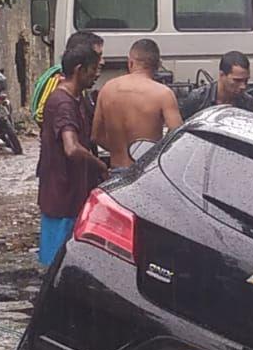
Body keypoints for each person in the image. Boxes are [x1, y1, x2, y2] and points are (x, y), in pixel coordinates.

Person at [38, 44, 108, 267]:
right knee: (57, 259)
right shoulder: (63, 103)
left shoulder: (77, 99)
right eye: (93, 69)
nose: (97, 74)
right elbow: (72, 147)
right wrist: (99, 165)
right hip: (62, 193)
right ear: (79, 70)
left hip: (72, 190)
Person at [93, 38, 182, 170]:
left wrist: (118, 150)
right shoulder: (163, 94)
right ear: (158, 65)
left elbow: (96, 136)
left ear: (130, 62)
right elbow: (178, 137)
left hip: (116, 170)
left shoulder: (107, 88)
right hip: (146, 172)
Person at [30, 31, 104, 123]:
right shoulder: (58, 84)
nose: (101, 61)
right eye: (97, 56)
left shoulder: (80, 89)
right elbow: (40, 115)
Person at [181, 51, 253, 119]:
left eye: (246, 80)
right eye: (237, 80)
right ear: (222, 75)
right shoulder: (198, 98)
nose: (243, 86)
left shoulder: (246, 102)